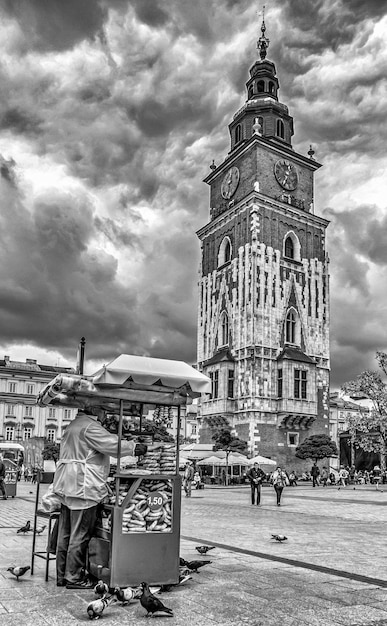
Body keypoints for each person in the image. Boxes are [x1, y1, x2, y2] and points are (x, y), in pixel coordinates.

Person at [52, 407, 147, 589]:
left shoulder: (73, 425)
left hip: (67, 485)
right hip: (83, 486)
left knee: (66, 534)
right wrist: (135, 448)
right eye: (104, 410)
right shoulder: (90, 426)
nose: (106, 415)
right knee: (80, 534)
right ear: (95, 410)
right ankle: (74, 577)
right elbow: (112, 444)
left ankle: (62, 575)